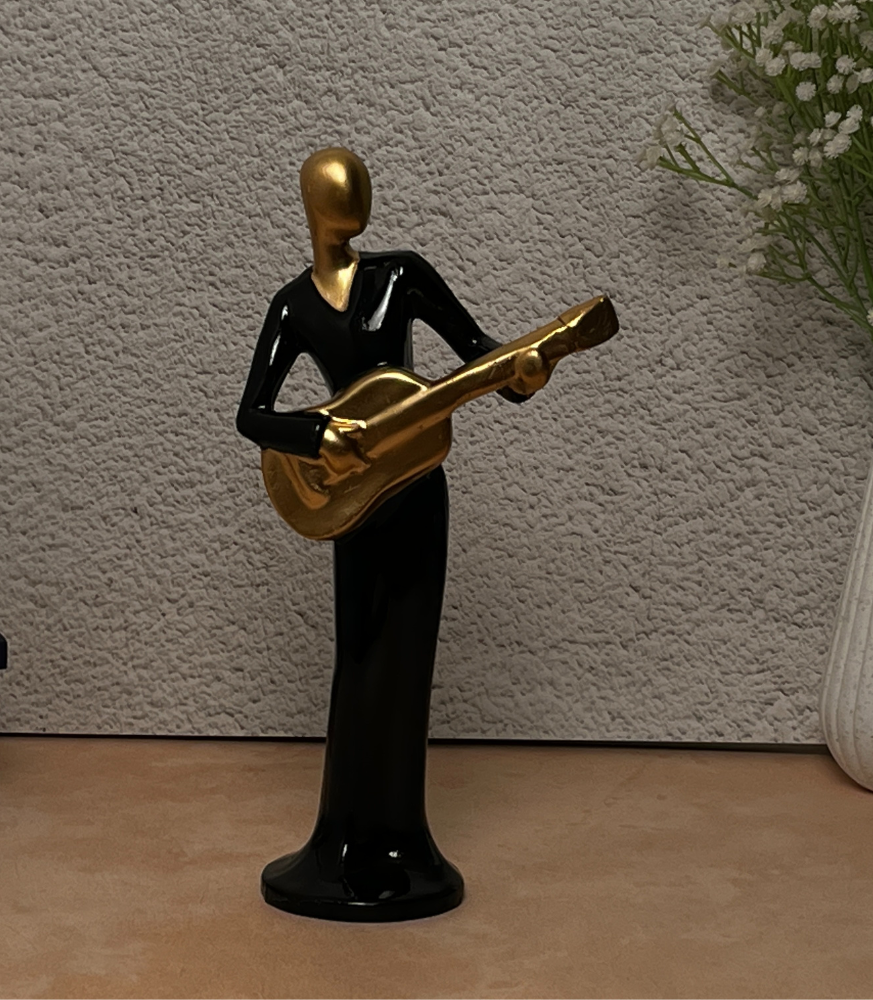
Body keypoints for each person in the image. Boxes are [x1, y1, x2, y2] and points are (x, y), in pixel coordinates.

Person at [237, 147, 526, 921]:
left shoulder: (403, 276)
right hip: (356, 504)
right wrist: (317, 436)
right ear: (313, 204)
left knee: (409, 659)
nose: (357, 198)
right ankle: (341, 841)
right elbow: (252, 414)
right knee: (359, 656)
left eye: (361, 185)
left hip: (416, 494)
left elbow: (481, 356)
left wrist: (524, 370)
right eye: (341, 188)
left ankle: (402, 841)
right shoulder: (293, 306)